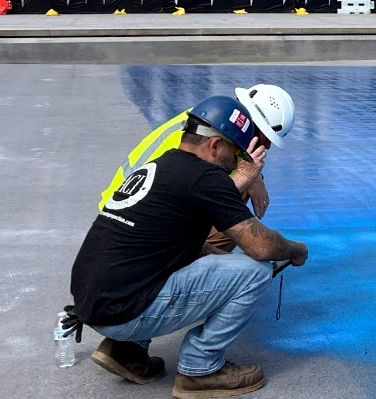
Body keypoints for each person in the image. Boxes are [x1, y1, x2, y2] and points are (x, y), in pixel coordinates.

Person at [71, 95, 308, 398]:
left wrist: (220, 268)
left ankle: (126, 351)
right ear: (215, 146)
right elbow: (261, 247)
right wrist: (295, 250)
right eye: (236, 152)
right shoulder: (204, 176)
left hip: (96, 303)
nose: (238, 161)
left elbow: (184, 244)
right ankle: (201, 370)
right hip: (121, 311)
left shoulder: (164, 165)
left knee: (201, 257)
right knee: (255, 270)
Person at [97, 84, 295, 246]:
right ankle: (193, 273)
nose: (267, 146)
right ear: (250, 122)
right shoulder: (202, 144)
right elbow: (208, 196)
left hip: (122, 213)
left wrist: (255, 178)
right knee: (233, 211)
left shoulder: (207, 122)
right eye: (264, 137)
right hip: (132, 224)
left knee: (239, 186)